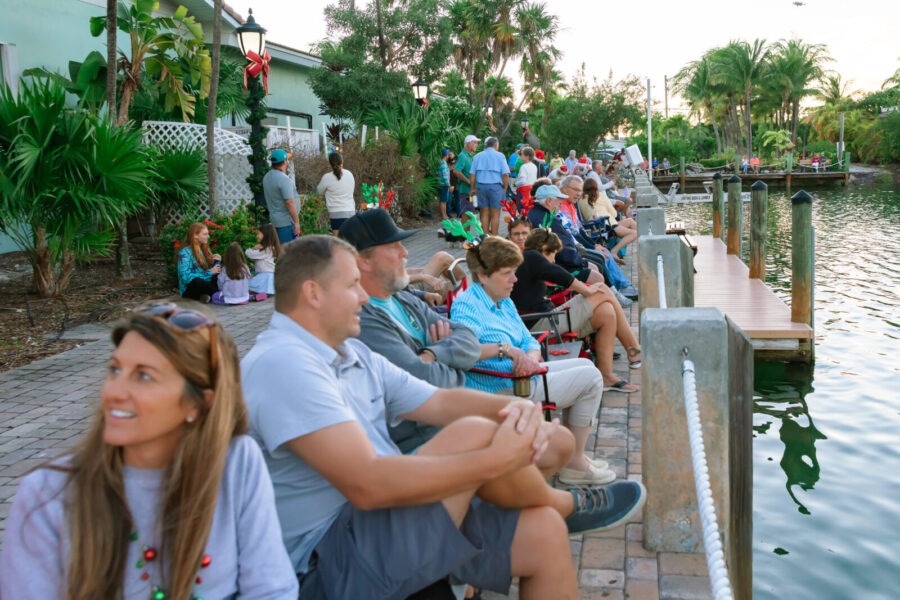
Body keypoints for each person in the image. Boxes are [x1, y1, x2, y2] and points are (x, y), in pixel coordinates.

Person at [241, 234, 647, 599]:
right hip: (327, 557)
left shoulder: (350, 352)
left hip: (377, 523)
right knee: (470, 434)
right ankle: (566, 504)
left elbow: (436, 400)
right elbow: (366, 484)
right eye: (351, 286)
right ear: (313, 293)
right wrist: (494, 461)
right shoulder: (283, 363)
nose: (364, 297)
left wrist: (513, 407)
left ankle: (559, 511)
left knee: (544, 534)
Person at [0, 301, 298, 599]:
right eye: (115, 370)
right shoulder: (48, 495)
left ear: (197, 403)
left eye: (144, 376)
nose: (114, 391)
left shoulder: (234, 462)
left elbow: (272, 589)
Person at [450, 236, 617, 483]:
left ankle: (573, 455)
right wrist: (505, 350)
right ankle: (574, 464)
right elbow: (463, 351)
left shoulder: (502, 300)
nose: (515, 280)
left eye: (515, 272)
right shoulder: (467, 307)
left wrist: (529, 357)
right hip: (500, 389)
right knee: (591, 378)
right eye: (507, 273)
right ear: (483, 276)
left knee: (585, 365)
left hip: (523, 376)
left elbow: (528, 340)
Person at [512, 228, 641, 393]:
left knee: (606, 312)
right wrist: (587, 291)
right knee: (601, 289)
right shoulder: (531, 257)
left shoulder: (527, 261)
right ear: (544, 250)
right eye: (553, 255)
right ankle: (633, 349)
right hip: (542, 322)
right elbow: (561, 275)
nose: (553, 261)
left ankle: (606, 375)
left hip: (547, 319)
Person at [579, 177, 638, 260]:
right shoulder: (600, 195)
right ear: (596, 187)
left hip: (593, 227)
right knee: (634, 233)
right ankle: (614, 251)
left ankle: (622, 247)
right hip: (607, 225)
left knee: (630, 221)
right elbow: (614, 214)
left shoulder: (580, 199)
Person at [470, 136, 510, 236]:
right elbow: (505, 174)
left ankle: (485, 236)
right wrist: (505, 188)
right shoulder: (500, 156)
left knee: (484, 213)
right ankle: (494, 237)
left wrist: (473, 188)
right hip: (496, 187)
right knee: (495, 214)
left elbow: (472, 174)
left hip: (481, 187)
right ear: (496, 145)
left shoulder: (477, 156)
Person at [263, 149, 300, 244]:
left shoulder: (266, 177)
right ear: (284, 162)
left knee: (279, 250)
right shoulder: (284, 179)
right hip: (286, 222)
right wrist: (296, 222)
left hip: (275, 219)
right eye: (287, 159)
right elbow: (289, 202)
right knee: (286, 252)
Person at [177, 222, 221, 303]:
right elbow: (185, 277)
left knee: (219, 276)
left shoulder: (203, 249)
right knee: (197, 282)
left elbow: (209, 273)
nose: (208, 236)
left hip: (205, 284)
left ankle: (206, 296)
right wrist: (209, 272)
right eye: (205, 234)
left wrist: (216, 262)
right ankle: (220, 295)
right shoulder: (184, 252)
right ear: (195, 235)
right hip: (189, 289)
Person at [317, 151, 356, 235]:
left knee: (338, 243)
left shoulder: (327, 177)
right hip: (350, 212)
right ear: (342, 161)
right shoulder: (349, 174)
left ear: (330, 163)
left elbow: (319, 192)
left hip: (336, 214)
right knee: (350, 241)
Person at [246, 223, 282, 296]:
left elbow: (249, 254)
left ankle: (259, 294)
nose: (257, 236)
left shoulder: (267, 250)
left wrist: (252, 249)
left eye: (258, 234)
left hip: (265, 276)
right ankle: (261, 294)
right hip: (265, 275)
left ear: (265, 235)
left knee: (248, 287)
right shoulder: (270, 248)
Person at [453, 135, 479, 217]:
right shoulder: (463, 156)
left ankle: (467, 230)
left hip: (470, 192)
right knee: (467, 213)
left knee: (470, 213)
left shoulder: (469, 156)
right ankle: (465, 230)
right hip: (465, 191)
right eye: (474, 142)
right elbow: (456, 171)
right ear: (468, 143)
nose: (476, 144)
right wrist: (468, 181)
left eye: (477, 143)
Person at [515, 146, 539, 210]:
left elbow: (522, 181)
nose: (521, 156)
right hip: (532, 192)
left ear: (527, 156)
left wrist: (516, 183)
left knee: (522, 210)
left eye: (522, 154)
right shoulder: (534, 166)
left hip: (524, 192)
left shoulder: (523, 167)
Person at [438, 149, 454, 220]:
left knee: (444, 201)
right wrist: (449, 185)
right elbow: (445, 176)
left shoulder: (443, 163)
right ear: (447, 155)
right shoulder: (444, 164)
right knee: (443, 201)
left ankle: (444, 215)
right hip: (444, 185)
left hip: (443, 184)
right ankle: (444, 215)